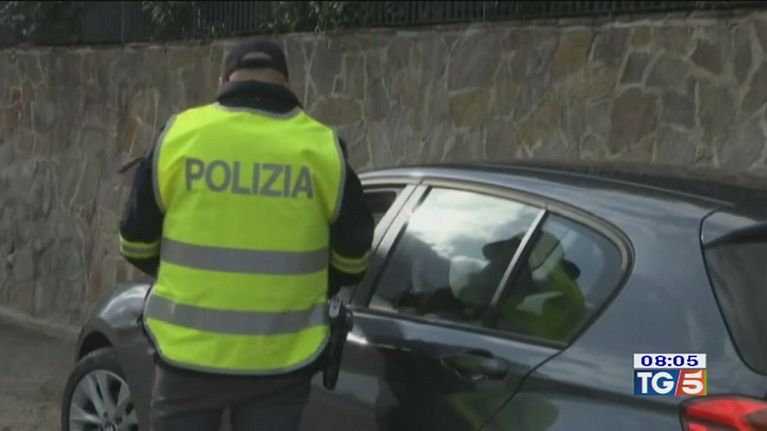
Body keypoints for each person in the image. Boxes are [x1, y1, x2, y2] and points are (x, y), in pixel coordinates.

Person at [118, 39, 374, 431]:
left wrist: (188, 277)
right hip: (281, 359)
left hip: (187, 356)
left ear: (223, 81)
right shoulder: (322, 148)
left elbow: (134, 242)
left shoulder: (180, 135)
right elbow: (354, 258)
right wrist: (310, 285)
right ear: (287, 83)